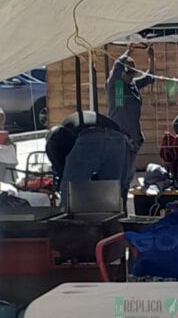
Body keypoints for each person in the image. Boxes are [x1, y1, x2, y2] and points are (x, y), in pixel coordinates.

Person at [45, 109, 134, 200]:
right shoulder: (70, 127)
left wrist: (61, 183)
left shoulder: (54, 139)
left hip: (90, 136)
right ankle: (113, 213)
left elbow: (62, 167)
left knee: (69, 191)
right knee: (112, 192)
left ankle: (68, 211)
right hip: (118, 139)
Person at [107, 43, 155, 189]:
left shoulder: (132, 86)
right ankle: (118, 202)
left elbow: (149, 78)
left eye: (132, 72)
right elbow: (117, 66)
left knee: (127, 174)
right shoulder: (116, 85)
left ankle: (122, 203)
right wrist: (129, 51)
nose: (130, 75)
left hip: (133, 138)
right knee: (119, 173)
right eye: (127, 71)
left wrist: (151, 58)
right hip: (120, 137)